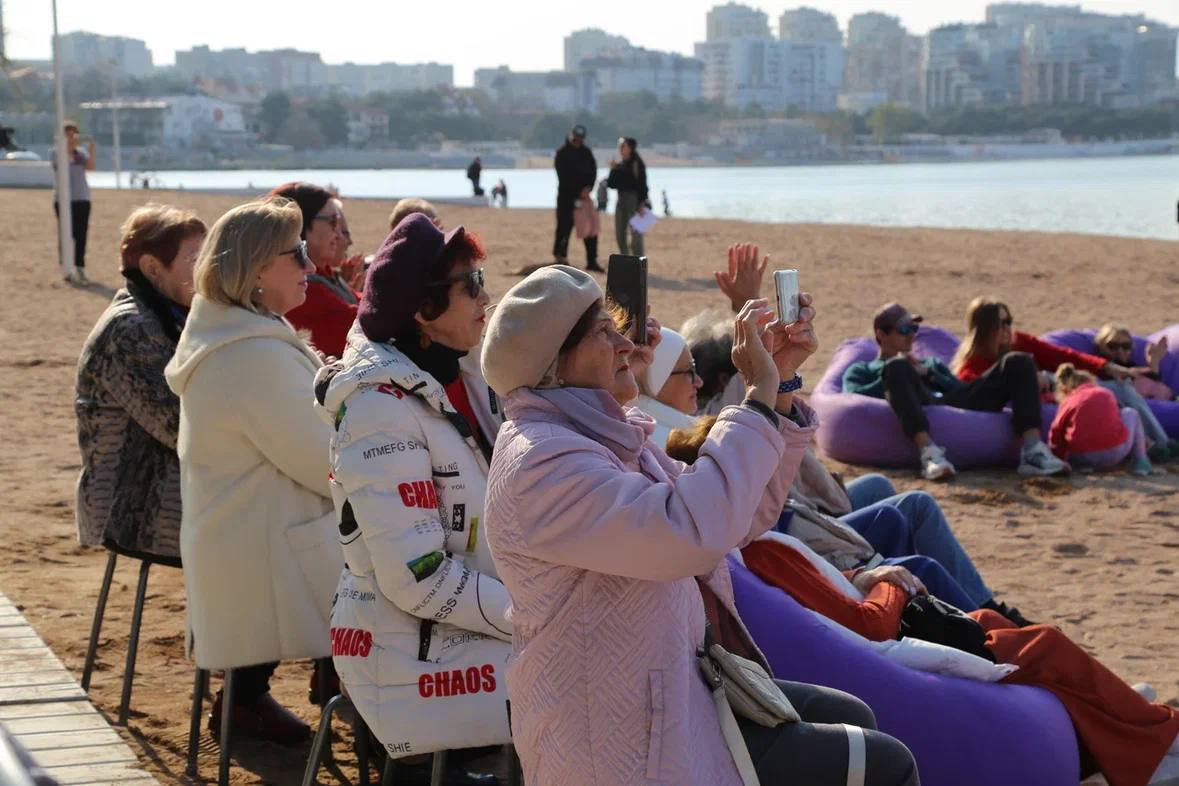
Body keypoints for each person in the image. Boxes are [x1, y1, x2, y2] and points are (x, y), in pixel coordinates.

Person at [481, 267, 919, 786]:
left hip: (670, 693)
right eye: (604, 331)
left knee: (854, 718)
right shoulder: (543, 464)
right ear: (555, 365)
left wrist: (778, 386)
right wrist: (755, 396)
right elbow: (691, 533)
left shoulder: (599, 438)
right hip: (618, 739)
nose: (627, 344)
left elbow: (740, 518)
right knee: (886, 766)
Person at [312, 214, 509, 781]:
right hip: (411, 656)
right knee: (607, 688)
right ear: (423, 312)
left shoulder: (466, 372)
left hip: (466, 629)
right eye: (469, 284)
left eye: (481, 277)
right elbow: (418, 578)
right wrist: (536, 614)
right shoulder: (379, 409)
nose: (485, 295)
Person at [741, 535, 1179, 786]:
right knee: (1044, 644)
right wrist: (893, 583)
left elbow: (832, 589)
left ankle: (1125, 711)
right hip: (902, 649)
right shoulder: (763, 552)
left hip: (900, 637)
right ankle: (1154, 736)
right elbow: (869, 624)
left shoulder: (762, 544)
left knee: (989, 619)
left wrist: (866, 576)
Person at [164, 198, 342, 744]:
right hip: (258, 553)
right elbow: (324, 461)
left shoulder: (237, 333)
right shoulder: (249, 355)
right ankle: (371, 708)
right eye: (299, 253)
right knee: (395, 562)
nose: (311, 266)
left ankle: (254, 698)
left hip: (242, 538)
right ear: (259, 268)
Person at [75, 204, 205, 564]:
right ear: (152, 268)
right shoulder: (130, 329)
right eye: (196, 258)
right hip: (134, 509)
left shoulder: (168, 316)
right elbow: (180, 427)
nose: (208, 269)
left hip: (161, 493)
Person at [842, 303, 1069, 480]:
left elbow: (960, 389)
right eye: (904, 329)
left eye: (914, 328)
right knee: (896, 367)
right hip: (917, 402)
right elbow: (855, 399)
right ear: (881, 335)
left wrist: (926, 374)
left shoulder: (931, 364)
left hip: (950, 400)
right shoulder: (862, 369)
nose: (911, 334)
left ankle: (1032, 452)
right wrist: (895, 374)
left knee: (1018, 361)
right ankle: (929, 454)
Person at [950, 297, 1132, 385]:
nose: (1007, 328)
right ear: (984, 329)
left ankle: (1157, 442)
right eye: (1000, 323)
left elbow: (1059, 355)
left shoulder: (1018, 341)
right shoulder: (970, 368)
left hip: (1060, 386)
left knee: (1121, 389)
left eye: (1009, 322)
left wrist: (1105, 366)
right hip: (1048, 399)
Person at [270, 182, 361, 359]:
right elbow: (362, 324)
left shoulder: (324, 273)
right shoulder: (301, 286)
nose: (338, 235)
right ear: (300, 221)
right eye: (333, 222)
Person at [1093, 324, 1177, 461]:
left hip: (1143, 405)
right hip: (1120, 409)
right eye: (1112, 346)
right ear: (1101, 346)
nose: (1120, 351)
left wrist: (1154, 361)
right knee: (1123, 391)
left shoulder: (1132, 366)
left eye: (1125, 346)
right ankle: (1159, 444)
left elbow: (1151, 387)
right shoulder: (1098, 367)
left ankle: (1159, 444)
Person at [1050, 364, 1153, 476]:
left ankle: (1086, 467)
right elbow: (1115, 420)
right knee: (1130, 413)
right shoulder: (1105, 392)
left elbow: (1056, 430)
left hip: (1081, 457)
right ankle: (1141, 462)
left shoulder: (1068, 401)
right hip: (1114, 452)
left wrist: (1058, 458)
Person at [634, 326, 701, 446]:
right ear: (659, 380)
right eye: (689, 371)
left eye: (694, 368)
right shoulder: (662, 443)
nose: (699, 382)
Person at [553, 125, 601, 272]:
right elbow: (563, 176)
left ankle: (592, 260)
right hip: (566, 198)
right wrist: (577, 192)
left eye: (580, 140)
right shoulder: (562, 153)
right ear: (571, 136)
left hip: (585, 198)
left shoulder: (586, 153)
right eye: (575, 139)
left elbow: (593, 171)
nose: (577, 142)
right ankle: (560, 257)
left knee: (590, 230)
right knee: (564, 228)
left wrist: (589, 188)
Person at [52, 121, 96, 283]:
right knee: (66, 234)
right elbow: (59, 164)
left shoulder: (81, 153)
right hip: (63, 200)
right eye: (68, 134)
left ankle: (80, 266)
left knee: (81, 234)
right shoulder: (56, 152)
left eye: (73, 134)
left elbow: (91, 167)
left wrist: (91, 151)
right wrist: (68, 145)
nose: (71, 138)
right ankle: (67, 266)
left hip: (82, 198)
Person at [607, 136, 650, 256]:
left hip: (635, 201)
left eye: (623, 145)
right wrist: (613, 170)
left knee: (637, 235)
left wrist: (642, 203)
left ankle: (638, 260)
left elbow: (642, 185)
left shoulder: (638, 164)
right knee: (619, 233)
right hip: (621, 200)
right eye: (619, 146)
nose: (620, 148)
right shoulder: (620, 164)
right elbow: (611, 184)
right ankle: (625, 259)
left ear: (630, 148)